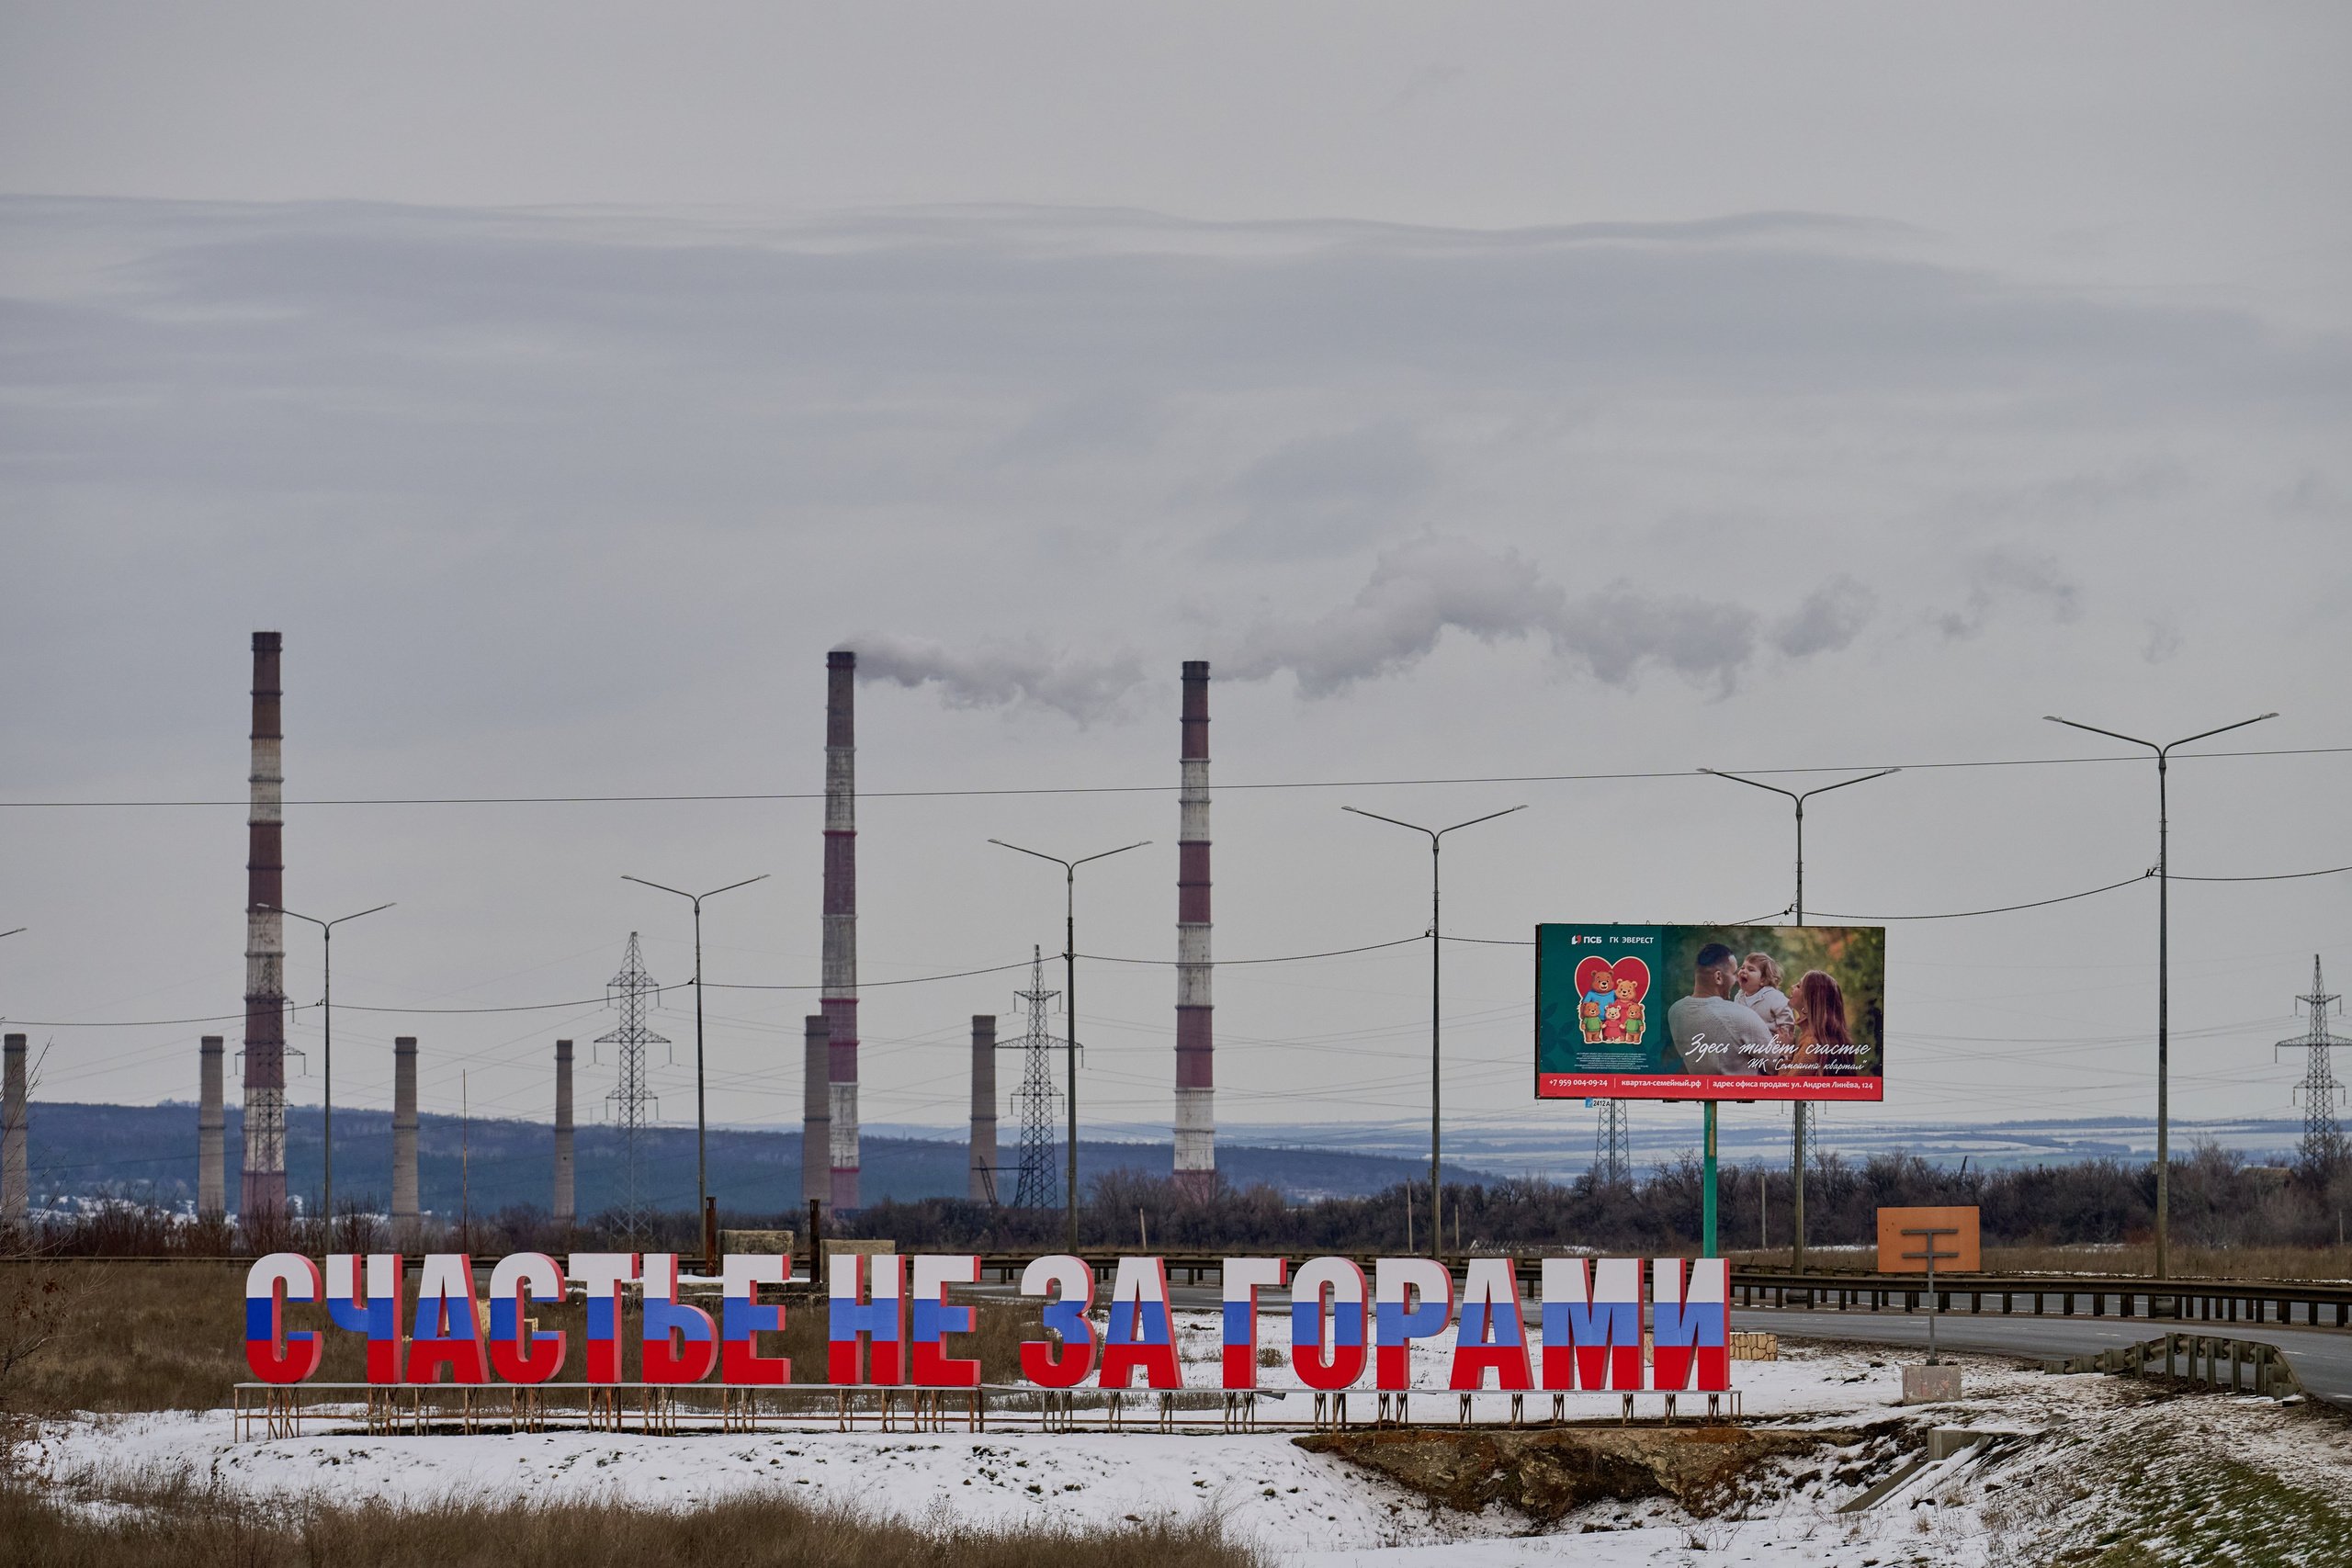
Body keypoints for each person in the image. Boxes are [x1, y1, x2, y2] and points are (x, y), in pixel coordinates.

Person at [1662, 942, 1771, 1075]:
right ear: (1718, 977)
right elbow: (1775, 1066)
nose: (1737, 979)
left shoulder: (1675, 1011)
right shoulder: (1742, 1016)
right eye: (1734, 973)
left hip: (1702, 1091)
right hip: (1741, 1093)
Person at [1788, 969, 1856, 1074]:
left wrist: (1785, 1054)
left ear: (1808, 1002)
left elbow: (1786, 1088)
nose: (1792, 986)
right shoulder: (1829, 1038)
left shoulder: (1811, 1045)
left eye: (1798, 986)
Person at [1734, 952, 1795, 1060]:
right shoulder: (1739, 997)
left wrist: (1784, 1037)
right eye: (1742, 967)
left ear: (1763, 980)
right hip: (1747, 1047)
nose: (1743, 971)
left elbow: (1786, 1015)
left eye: (1751, 969)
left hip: (1769, 1048)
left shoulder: (1773, 996)